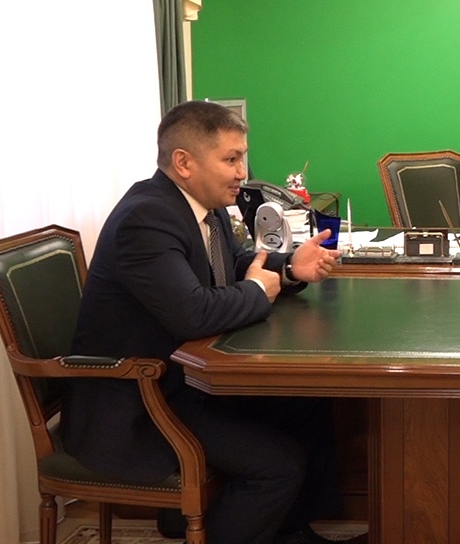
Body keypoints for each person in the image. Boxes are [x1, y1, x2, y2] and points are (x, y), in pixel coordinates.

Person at [61, 100, 343, 544]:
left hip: (183, 380)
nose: (242, 173)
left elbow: (235, 265)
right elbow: (193, 313)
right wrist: (256, 291)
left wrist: (290, 268)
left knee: (306, 406)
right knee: (277, 465)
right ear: (184, 163)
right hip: (141, 399)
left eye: (242, 158)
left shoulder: (203, 208)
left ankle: (284, 532)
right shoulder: (146, 218)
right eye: (231, 159)